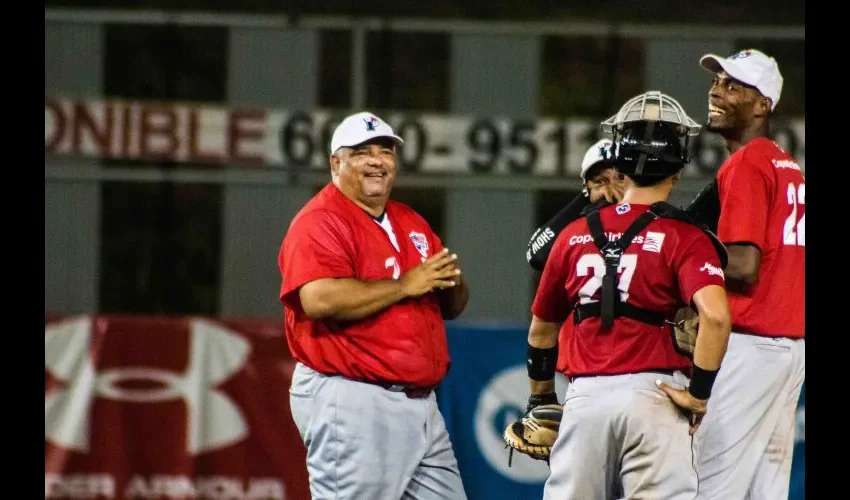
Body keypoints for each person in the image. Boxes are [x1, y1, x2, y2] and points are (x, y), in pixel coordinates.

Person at [524, 91, 732, 499]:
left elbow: (542, 329)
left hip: (586, 399)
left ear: (620, 165)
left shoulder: (574, 234)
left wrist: (541, 398)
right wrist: (698, 394)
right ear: (677, 168)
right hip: (655, 397)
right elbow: (717, 317)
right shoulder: (685, 235)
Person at [277, 111, 470, 500]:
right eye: (362, 152)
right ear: (336, 162)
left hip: (420, 404)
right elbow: (318, 299)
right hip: (354, 397)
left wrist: (448, 283)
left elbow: (451, 303)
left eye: (385, 151)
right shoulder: (320, 220)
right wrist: (404, 286)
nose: (377, 161)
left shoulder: (408, 219)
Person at [692, 48, 805, 500]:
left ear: (764, 105)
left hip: (749, 346)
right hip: (788, 350)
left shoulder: (747, 163)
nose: (717, 90)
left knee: (710, 487)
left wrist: (686, 259)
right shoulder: (787, 166)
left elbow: (743, 265)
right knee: (764, 491)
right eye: (718, 81)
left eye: (734, 85)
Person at [524, 139, 626, 385]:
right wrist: (588, 200)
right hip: (585, 372)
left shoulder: (657, 225)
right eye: (599, 181)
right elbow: (536, 254)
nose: (610, 191)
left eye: (620, 178)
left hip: (648, 369)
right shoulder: (575, 235)